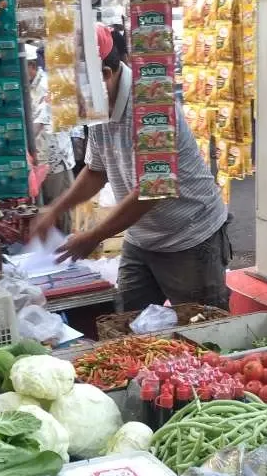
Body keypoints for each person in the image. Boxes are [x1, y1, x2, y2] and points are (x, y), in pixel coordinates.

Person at [30, 24, 231, 311]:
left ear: (106, 75)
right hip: (142, 238)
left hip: (189, 237)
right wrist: (55, 209)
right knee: (127, 323)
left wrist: (93, 236)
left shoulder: (152, 104)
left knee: (202, 328)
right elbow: (96, 171)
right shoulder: (98, 104)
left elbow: (153, 190)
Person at [26, 43, 76, 233]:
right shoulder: (28, 86)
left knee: (60, 207)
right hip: (40, 157)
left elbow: (39, 123)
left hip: (56, 159)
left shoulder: (47, 86)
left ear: (32, 66)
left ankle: (65, 249)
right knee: (45, 208)